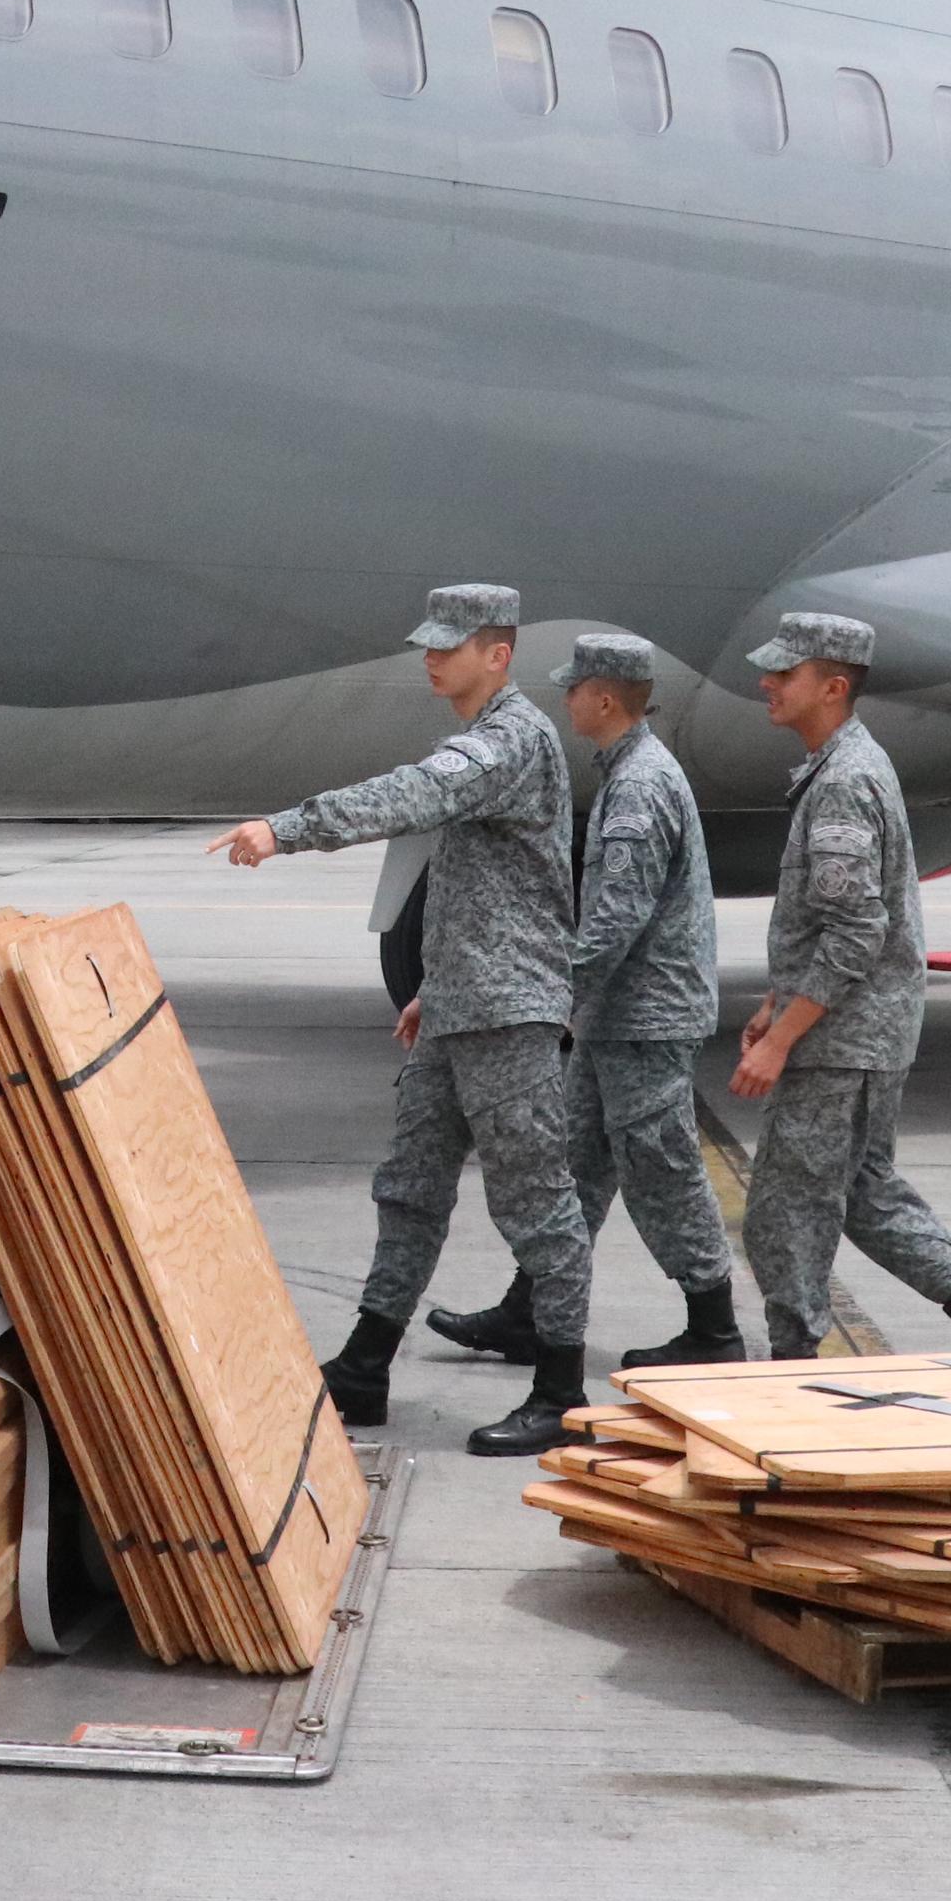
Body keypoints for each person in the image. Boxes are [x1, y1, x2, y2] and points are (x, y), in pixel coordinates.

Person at [212, 583, 593, 1457]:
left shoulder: (509, 739)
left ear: (498, 654)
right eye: (430, 643)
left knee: (537, 1204)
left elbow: (413, 795)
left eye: (450, 646)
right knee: (410, 1190)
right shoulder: (486, 736)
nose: (432, 658)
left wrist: (287, 828)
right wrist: (437, 984)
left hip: (508, 1015)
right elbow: (489, 889)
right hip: (461, 1005)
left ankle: (561, 1389)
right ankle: (365, 1366)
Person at [725, 611, 951, 1361]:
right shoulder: (844, 766)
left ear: (833, 687)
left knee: (784, 1207)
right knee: (864, 1193)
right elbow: (829, 920)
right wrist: (774, 1001)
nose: (767, 683)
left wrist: (781, 1040)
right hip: (862, 1030)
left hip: (843, 1039)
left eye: (786, 673)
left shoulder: (843, 782)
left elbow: (855, 930)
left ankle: (793, 1360)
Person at [427, 631, 744, 1374]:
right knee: (575, 1165)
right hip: (617, 1019)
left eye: (573, 688)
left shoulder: (639, 786)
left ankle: (714, 1328)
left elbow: (613, 920)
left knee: (661, 1167)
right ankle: (530, 1312)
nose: (565, 698)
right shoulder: (625, 772)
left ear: (603, 699)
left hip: (647, 1019)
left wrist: (551, 993)